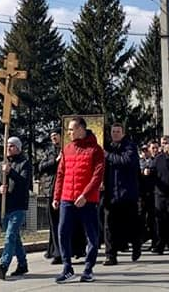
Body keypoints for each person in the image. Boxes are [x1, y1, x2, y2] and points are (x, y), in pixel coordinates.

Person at [53, 116, 105, 284]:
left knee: (91, 235)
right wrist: (57, 197)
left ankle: (88, 269)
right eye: (68, 129)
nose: (69, 132)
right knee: (62, 232)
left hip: (87, 201)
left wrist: (86, 195)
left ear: (82, 128)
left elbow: (97, 176)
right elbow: (60, 175)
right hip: (67, 198)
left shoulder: (95, 150)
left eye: (72, 129)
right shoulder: (67, 149)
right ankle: (67, 268)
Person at [0, 137, 33, 280]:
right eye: (7, 146)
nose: (8, 148)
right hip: (5, 206)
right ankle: (23, 264)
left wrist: (11, 172)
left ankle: (3, 265)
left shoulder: (25, 163)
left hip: (18, 205)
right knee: (14, 238)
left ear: (18, 148)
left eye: (11, 146)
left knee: (10, 236)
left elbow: (24, 183)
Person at [103, 123, 141, 265]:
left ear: (123, 133)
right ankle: (110, 255)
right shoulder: (108, 147)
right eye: (113, 132)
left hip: (127, 193)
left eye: (118, 132)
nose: (115, 134)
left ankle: (136, 246)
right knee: (109, 225)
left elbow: (125, 161)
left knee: (131, 224)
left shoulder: (129, 147)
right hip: (110, 193)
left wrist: (107, 155)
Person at [38, 130, 62, 264]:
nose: (54, 138)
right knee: (53, 223)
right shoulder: (49, 151)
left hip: (64, 190)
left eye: (56, 136)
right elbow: (41, 166)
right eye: (52, 137)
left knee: (62, 223)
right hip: (50, 190)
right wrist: (55, 160)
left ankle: (62, 250)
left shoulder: (66, 149)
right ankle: (55, 251)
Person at [139, 141, 159, 250]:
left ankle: (155, 242)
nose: (154, 150)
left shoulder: (156, 161)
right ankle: (144, 236)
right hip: (143, 193)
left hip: (154, 192)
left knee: (153, 219)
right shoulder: (140, 161)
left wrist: (150, 171)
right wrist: (142, 171)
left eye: (156, 148)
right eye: (152, 148)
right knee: (141, 217)